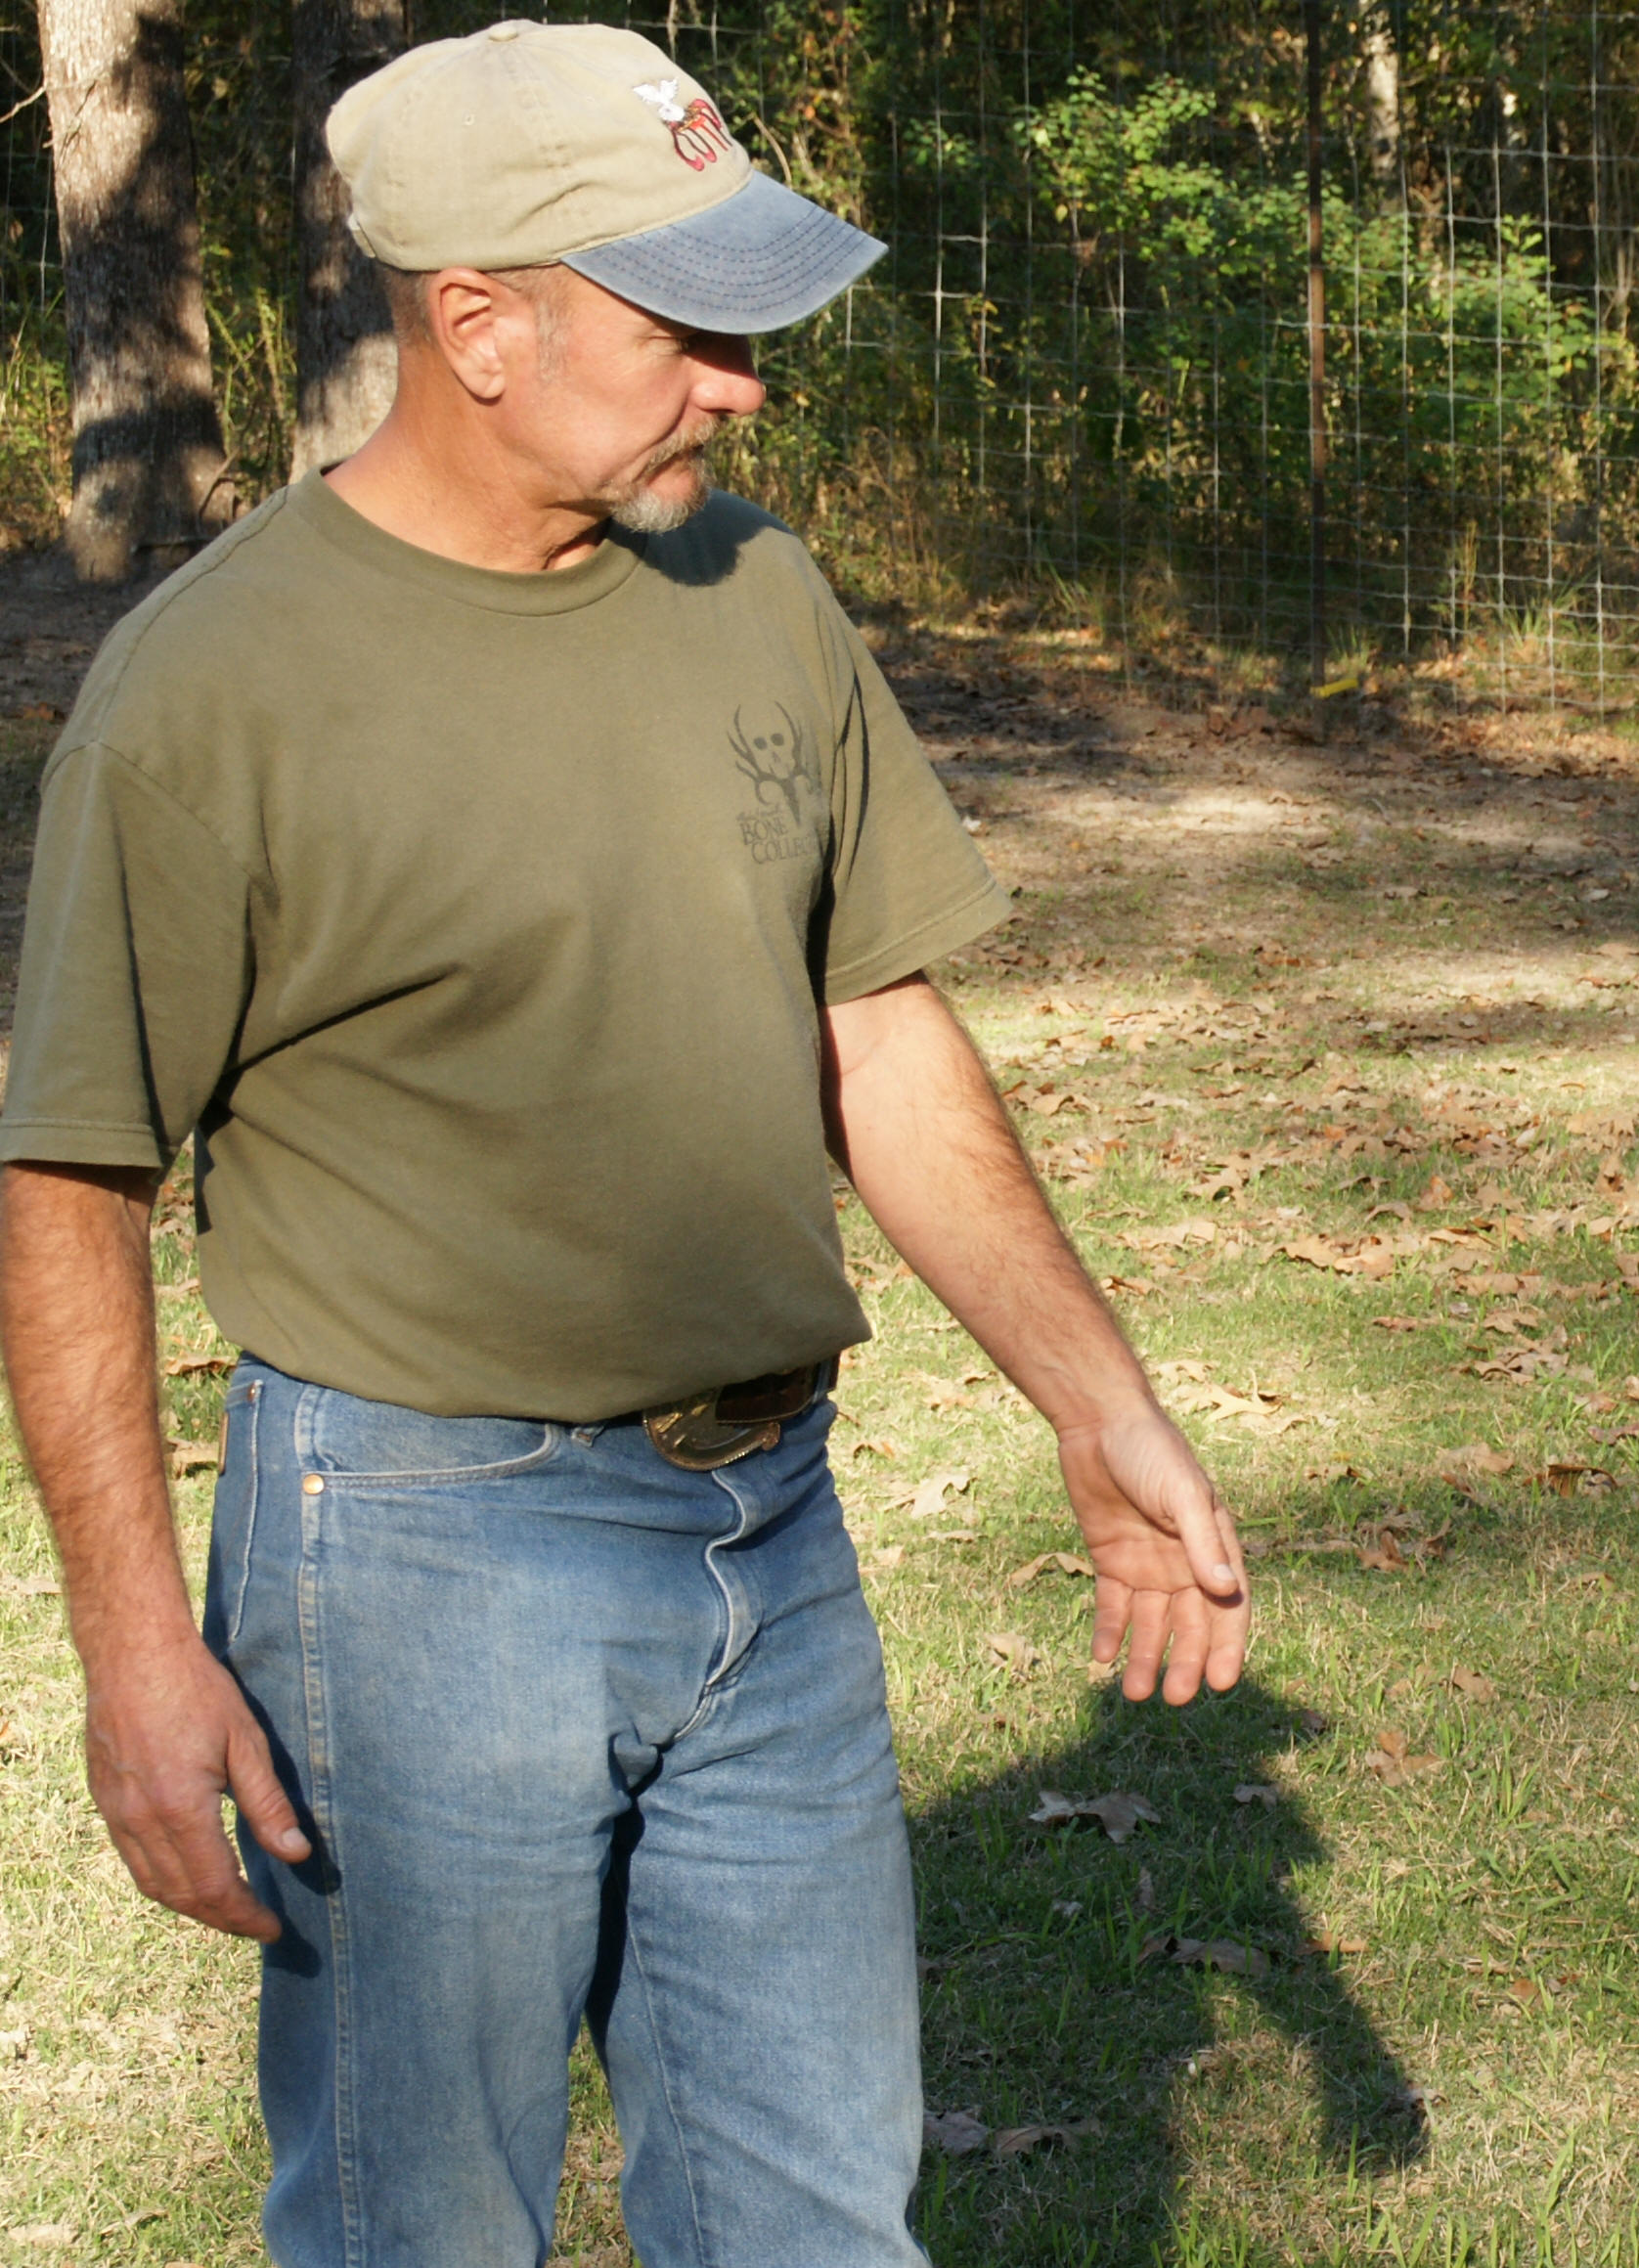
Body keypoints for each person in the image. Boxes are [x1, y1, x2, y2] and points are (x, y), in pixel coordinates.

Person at [0, 21, 1250, 2261]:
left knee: (815, 2222)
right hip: (411, 1561)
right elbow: (69, 1175)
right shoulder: (212, 695)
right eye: (689, 328)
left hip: (769, 1538)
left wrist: (1101, 1398)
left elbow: (875, 1023)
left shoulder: (751, 590)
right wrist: (128, 1643)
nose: (746, 386)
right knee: (424, 2226)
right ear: (476, 324)